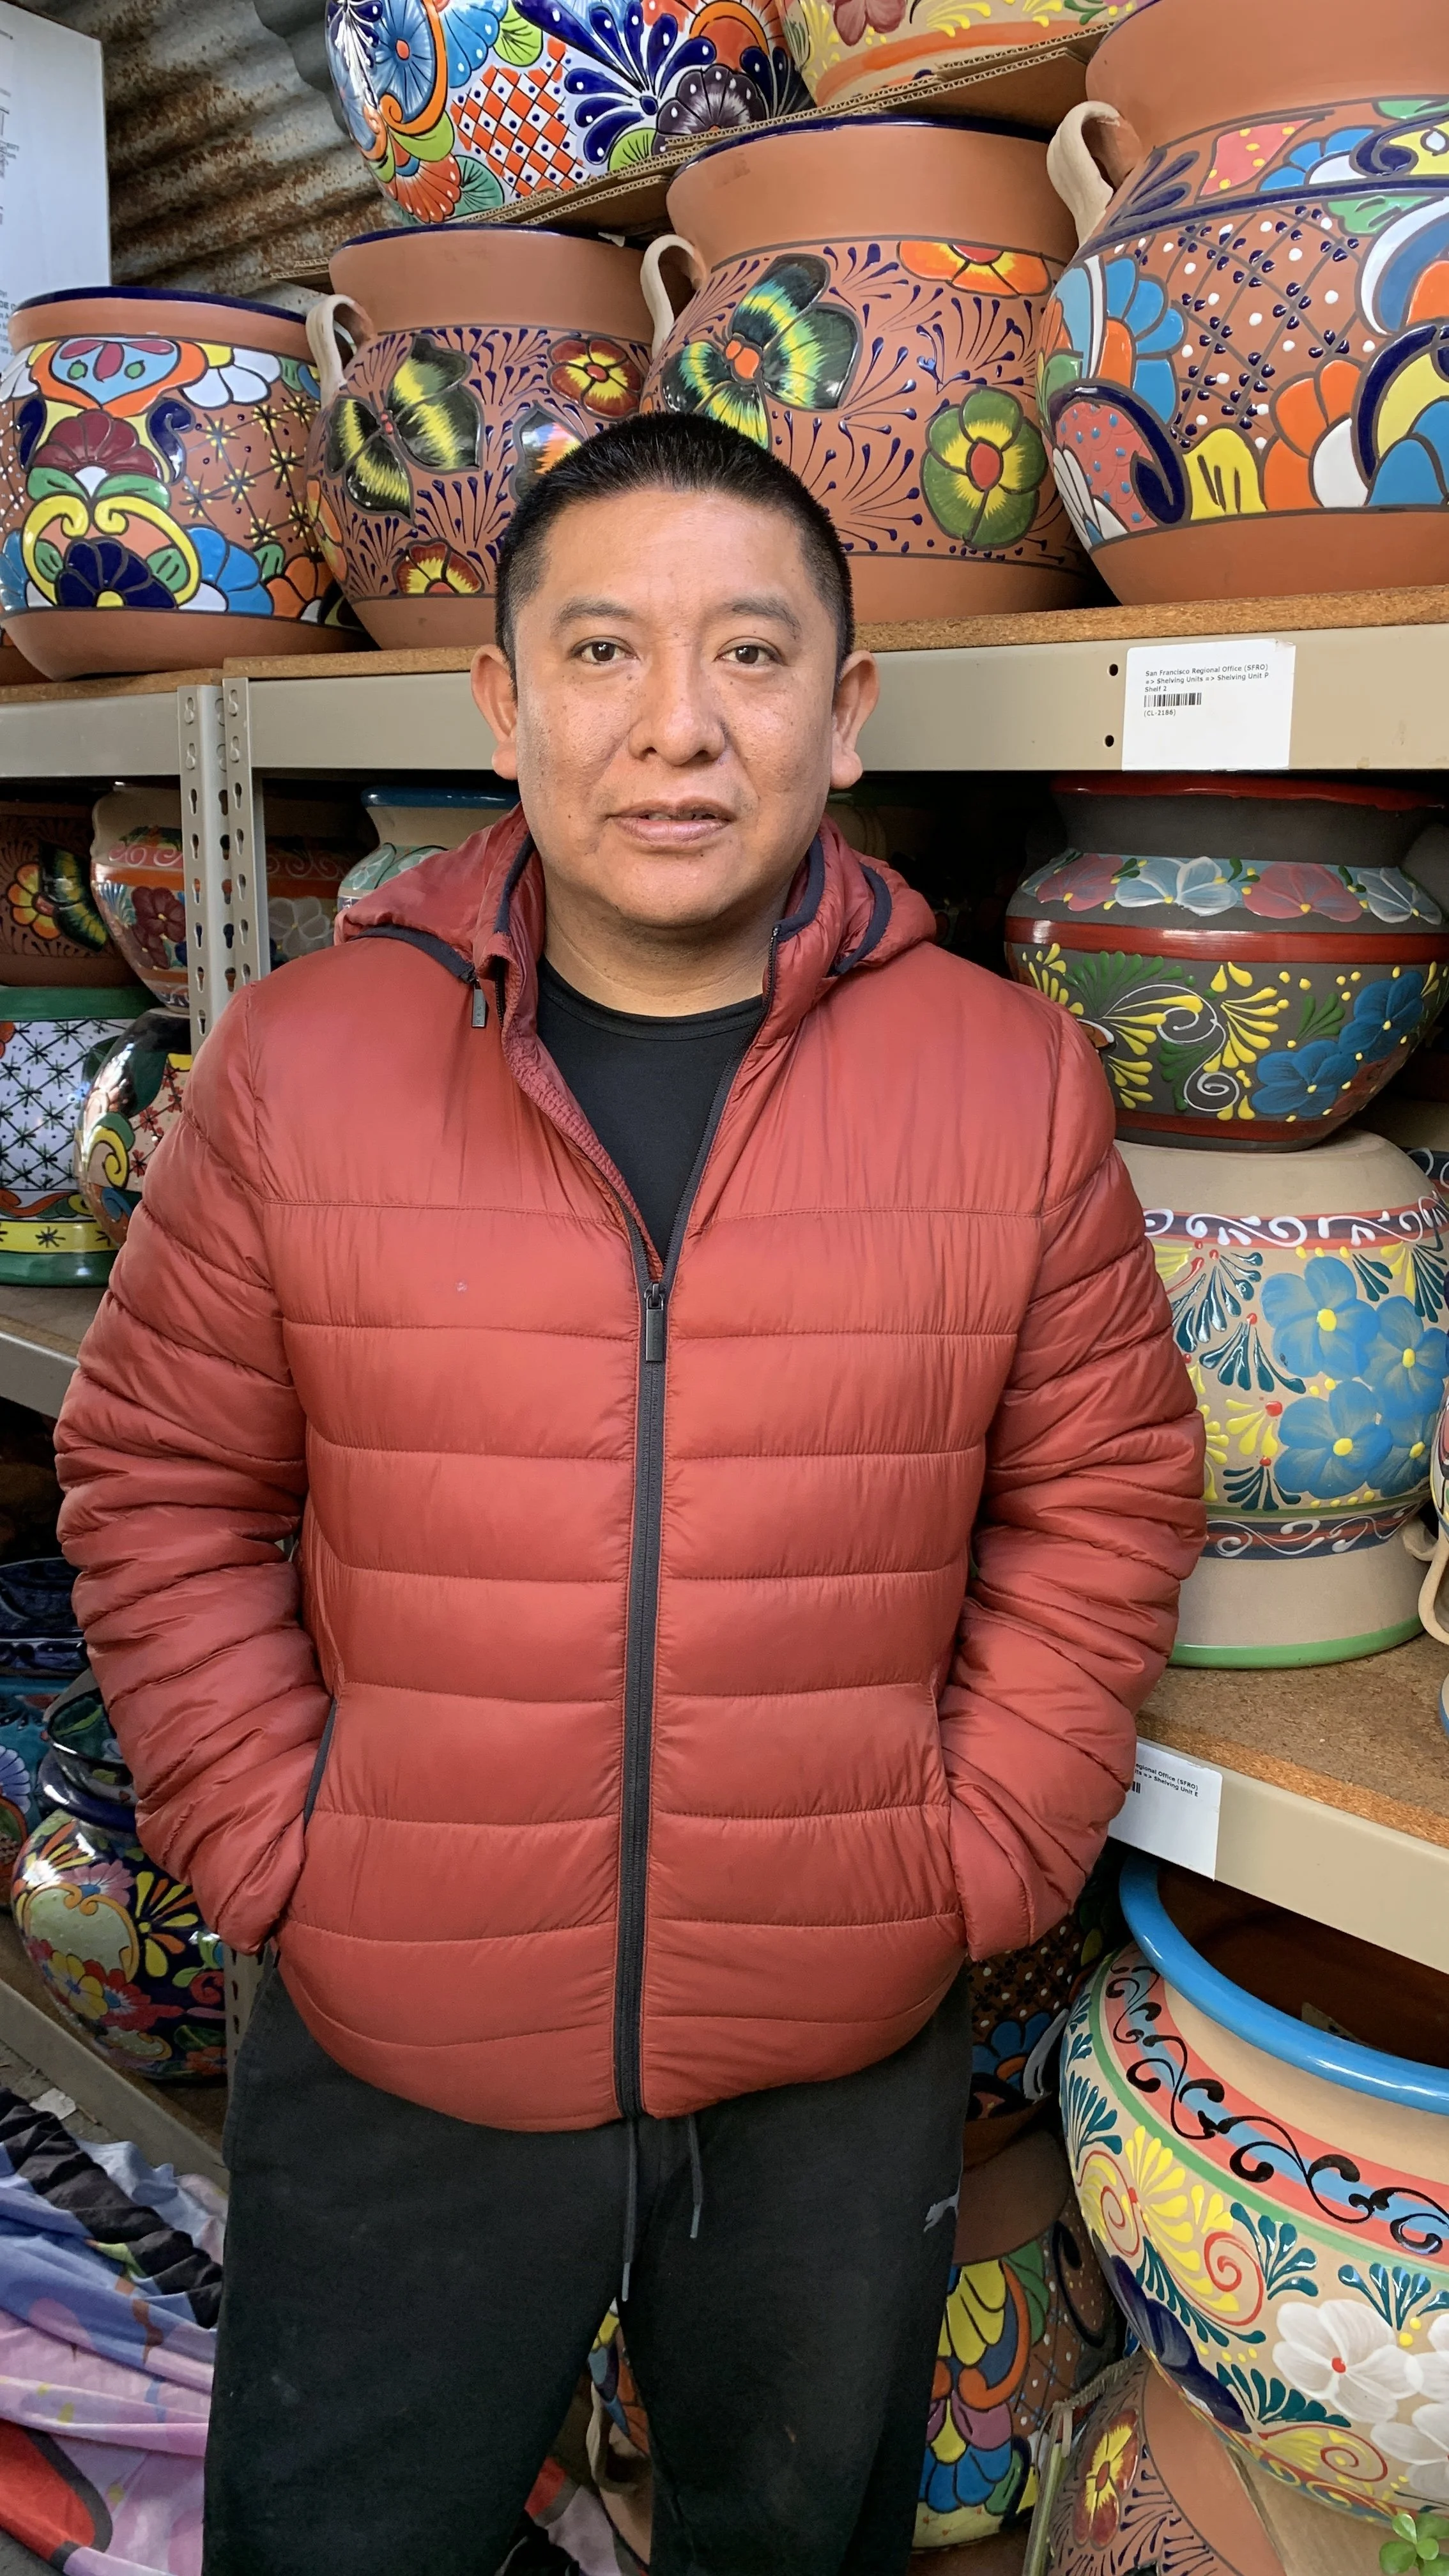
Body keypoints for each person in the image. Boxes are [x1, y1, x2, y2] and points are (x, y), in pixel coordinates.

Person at [54, 414, 1206, 2576]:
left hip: (831, 2047)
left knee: (793, 2537)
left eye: (750, 657)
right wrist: (276, 1847)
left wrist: (972, 1853)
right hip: (396, 2027)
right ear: (502, 704)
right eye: (600, 652)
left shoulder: (1001, 1077)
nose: (676, 729)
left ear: (844, 712)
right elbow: (159, 1484)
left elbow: (1104, 1492)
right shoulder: (303, 1062)